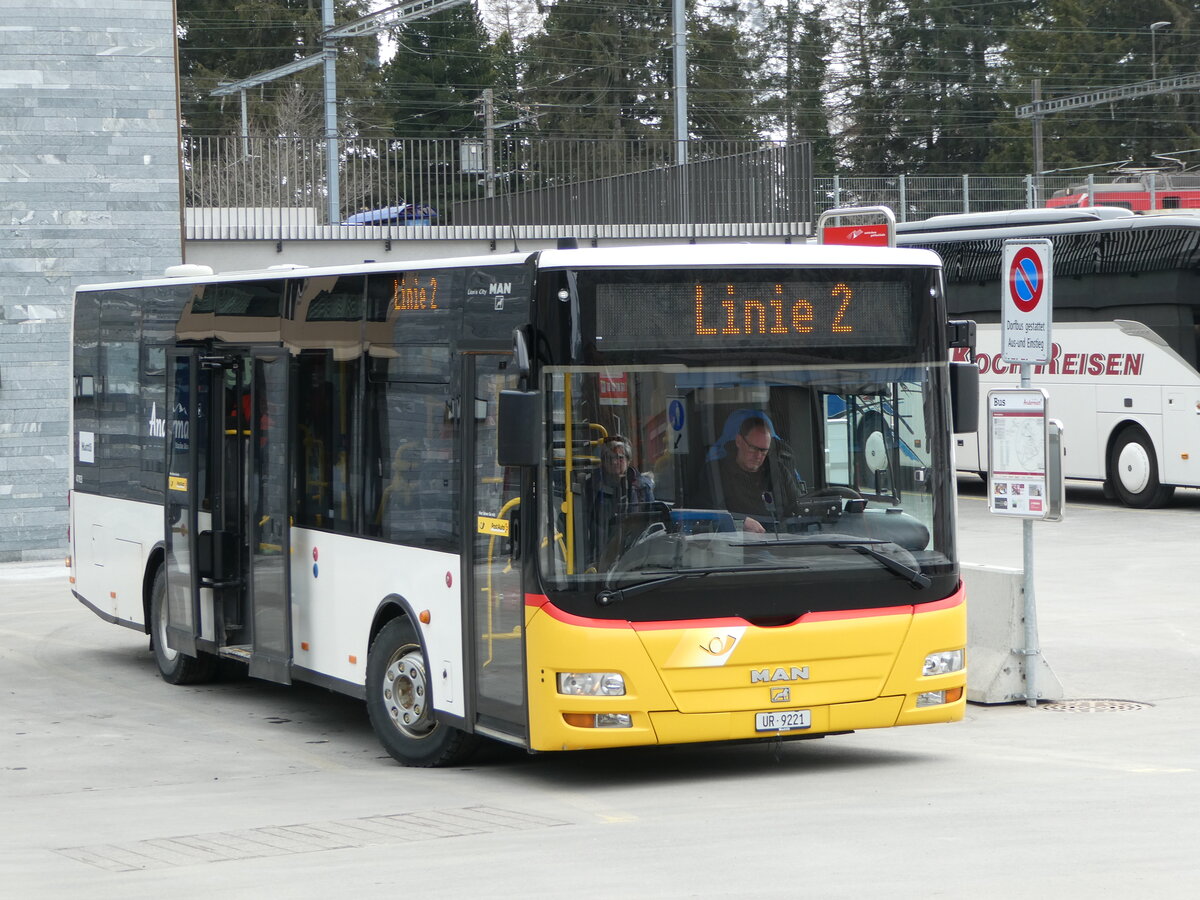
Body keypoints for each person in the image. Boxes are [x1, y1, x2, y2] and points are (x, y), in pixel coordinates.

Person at [706, 414, 803, 534]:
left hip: (779, 544)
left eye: (763, 450)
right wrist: (739, 523)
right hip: (735, 546)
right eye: (753, 448)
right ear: (739, 441)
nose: (758, 456)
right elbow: (704, 514)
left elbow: (798, 508)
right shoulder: (716, 473)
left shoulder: (778, 472)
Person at [584, 435, 654, 562]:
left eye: (620, 458)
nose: (615, 462)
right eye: (610, 458)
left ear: (628, 460)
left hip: (635, 553)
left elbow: (650, 523)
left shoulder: (642, 488)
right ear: (603, 462)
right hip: (600, 555)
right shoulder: (591, 487)